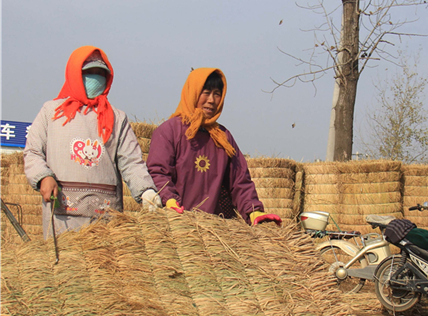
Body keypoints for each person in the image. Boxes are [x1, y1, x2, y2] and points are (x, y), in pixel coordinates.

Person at [24, 45, 162, 239]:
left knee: (104, 267)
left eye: (100, 73)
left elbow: (131, 161)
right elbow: (33, 152)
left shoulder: (117, 118)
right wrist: (43, 177)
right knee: (66, 266)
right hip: (63, 216)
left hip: (105, 217)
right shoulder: (51, 112)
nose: (95, 78)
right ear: (74, 74)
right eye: (89, 72)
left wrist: (145, 190)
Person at [146, 68, 281, 226]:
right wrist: (169, 200)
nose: (211, 100)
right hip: (174, 225)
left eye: (217, 94)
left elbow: (240, 181)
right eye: (206, 92)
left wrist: (254, 210)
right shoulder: (170, 131)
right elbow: (158, 172)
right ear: (193, 92)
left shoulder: (224, 138)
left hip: (213, 231)